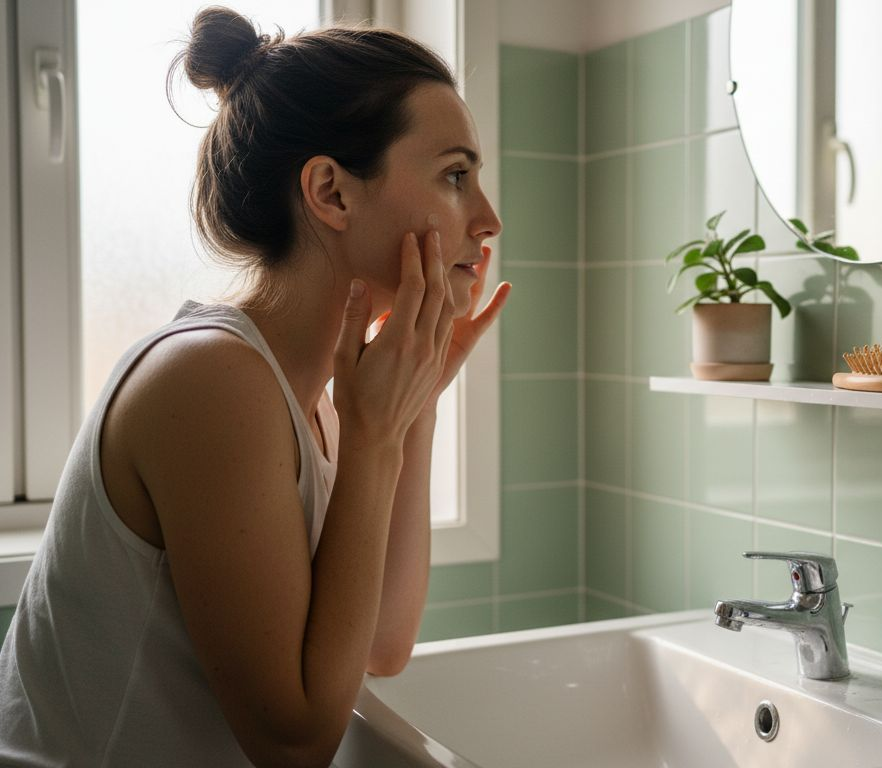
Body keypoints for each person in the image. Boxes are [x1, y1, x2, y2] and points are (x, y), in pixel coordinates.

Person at [0, 6, 508, 766]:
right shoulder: (211, 380)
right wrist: (373, 439)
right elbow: (293, 742)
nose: (487, 219)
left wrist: (415, 404)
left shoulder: (314, 403)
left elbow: (384, 642)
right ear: (332, 193)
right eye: (456, 176)